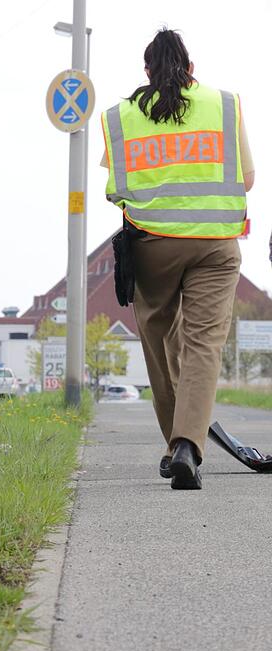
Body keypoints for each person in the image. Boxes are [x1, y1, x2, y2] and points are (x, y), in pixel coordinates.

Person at [101, 29, 254, 489]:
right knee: (202, 346)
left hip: (152, 247)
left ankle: (176, 443)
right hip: (215, 245)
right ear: (191, 68)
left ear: (146, 71)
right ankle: (188, 444)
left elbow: (117, 190)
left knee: (159, 341)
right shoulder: (225, 105)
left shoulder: (121, 116)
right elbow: (246, 180)